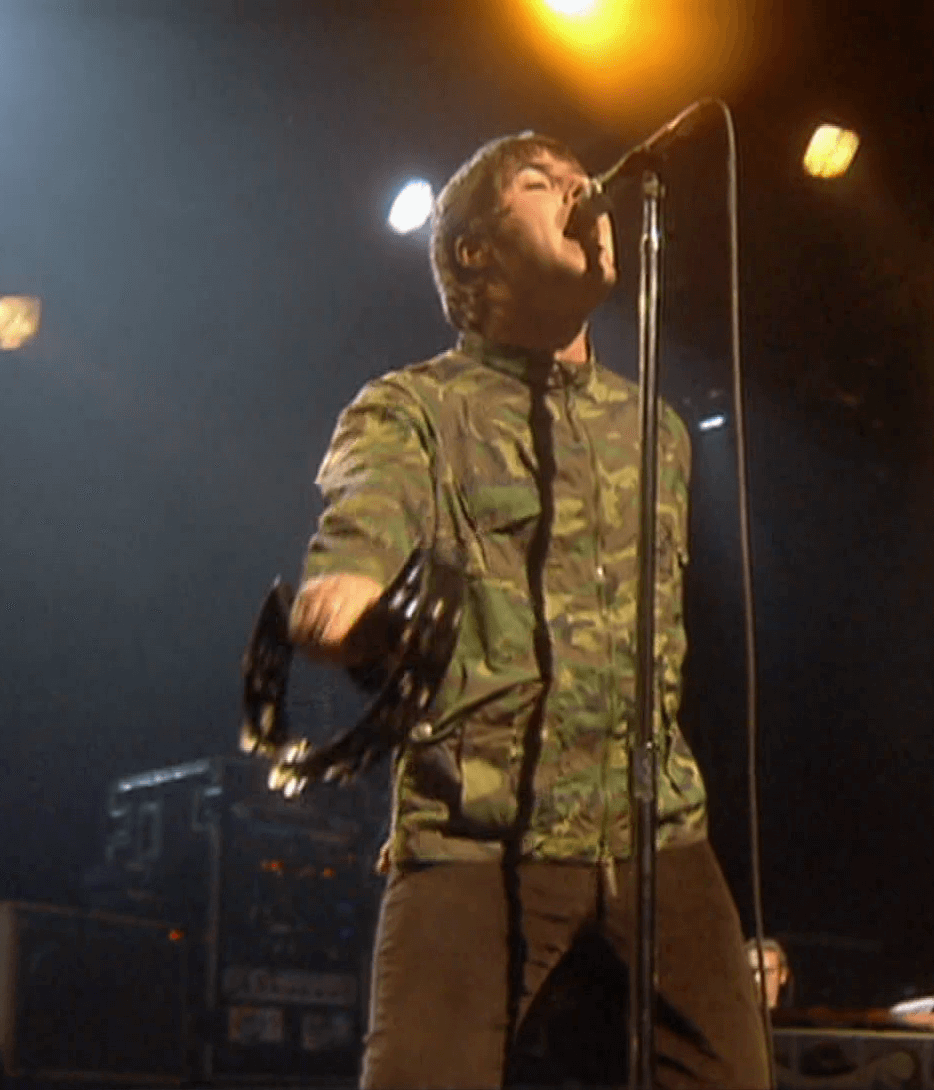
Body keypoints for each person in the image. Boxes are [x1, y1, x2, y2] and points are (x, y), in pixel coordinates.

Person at [287, 131, 770, 1089]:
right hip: (479, 829)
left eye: (584, 180)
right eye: (542, 184)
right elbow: (366, 516)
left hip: (656, 834)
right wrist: (347, 592)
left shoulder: (657, 432)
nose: (585, 194)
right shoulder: (413, 408)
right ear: (474, 251)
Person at [745, 937, 790, 1012]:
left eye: (766, 972)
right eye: (752, 972)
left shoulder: (795, 1021)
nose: (757, 979)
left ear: (783, 975)